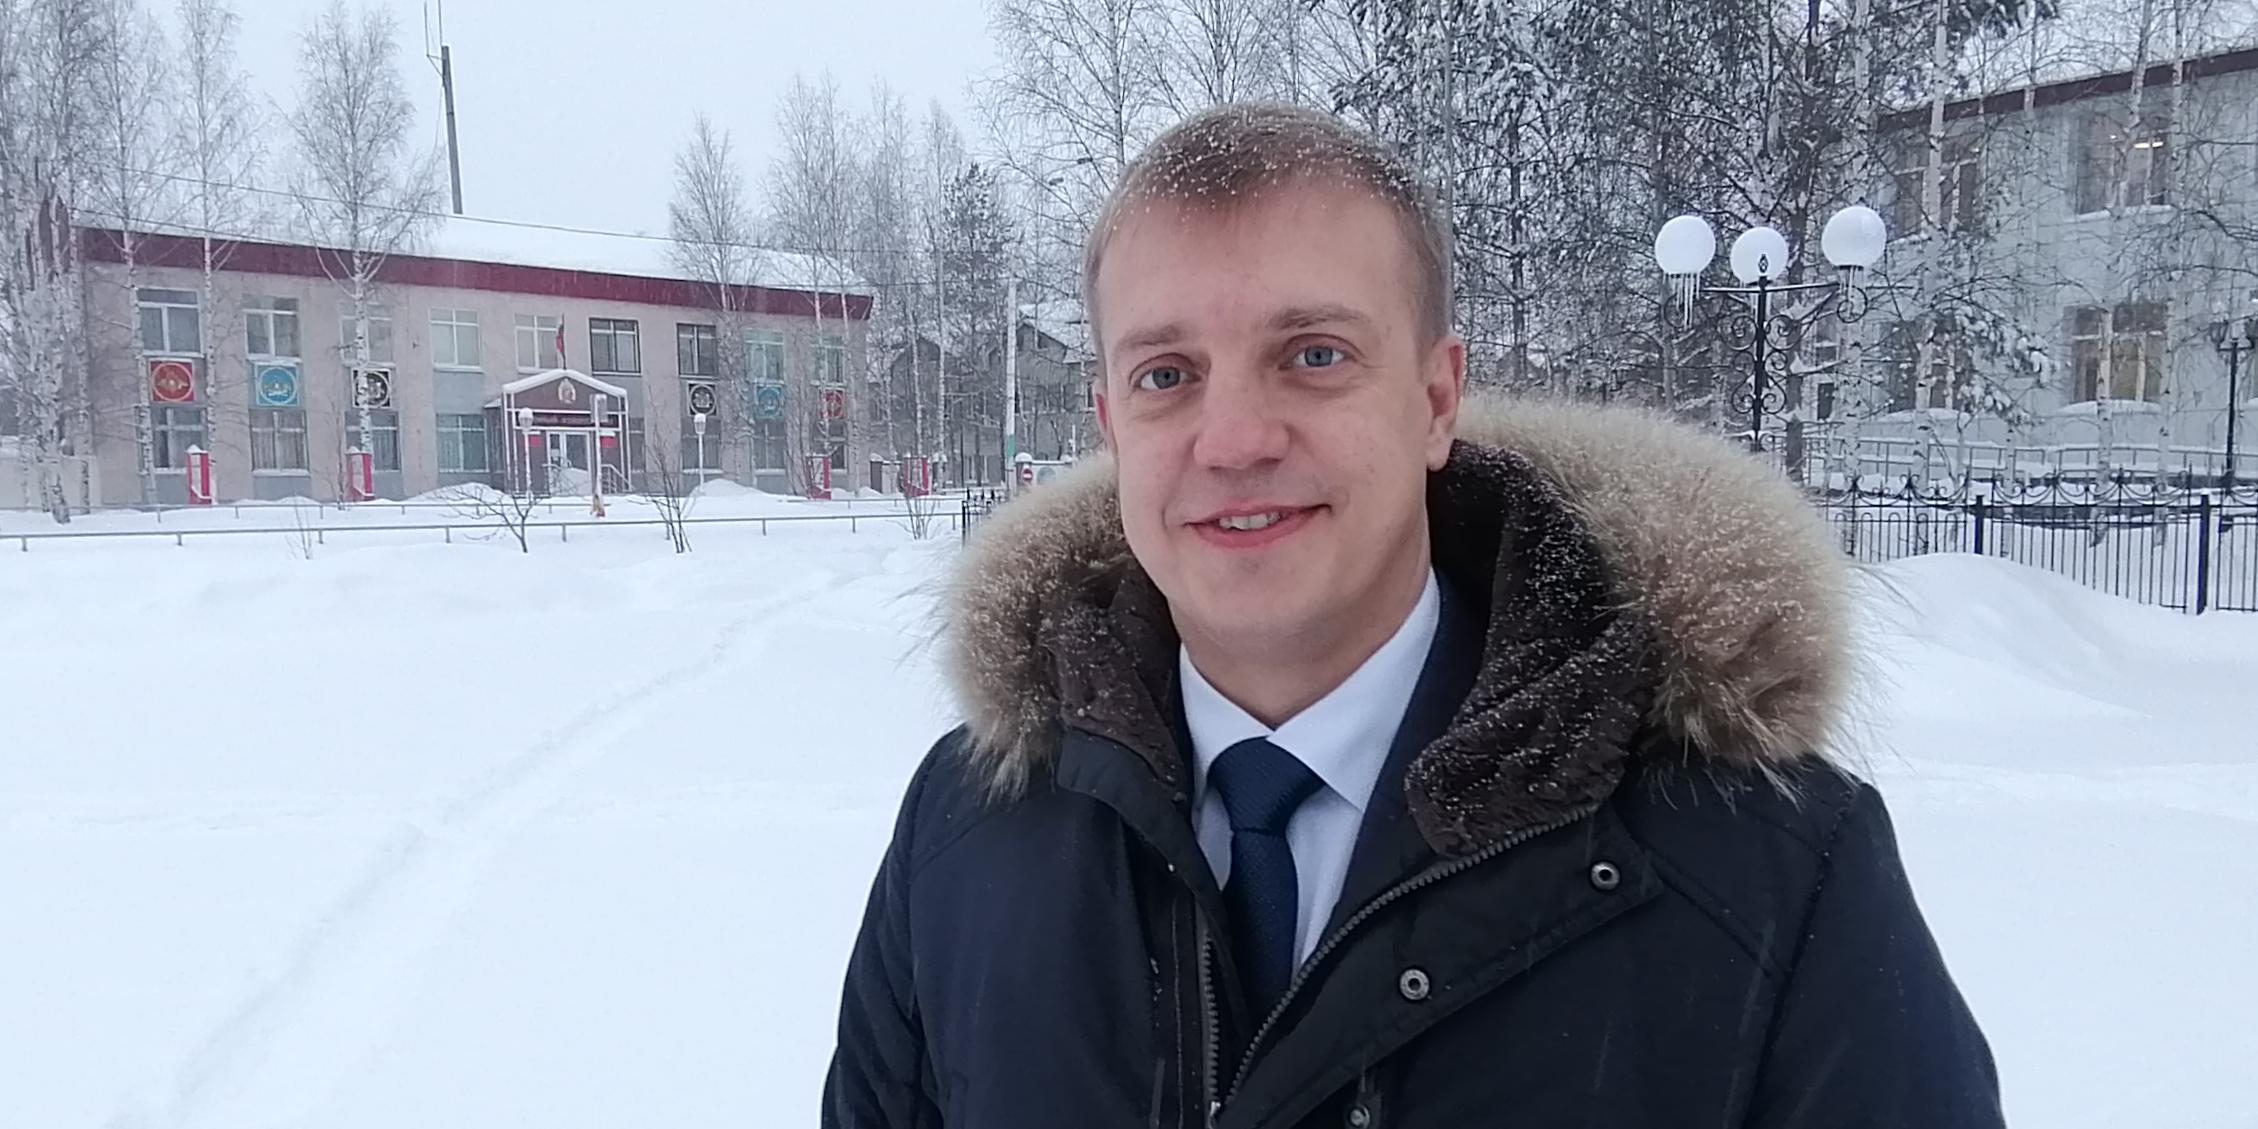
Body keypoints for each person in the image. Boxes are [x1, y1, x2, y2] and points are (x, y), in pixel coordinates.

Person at [824, 103, 2002, 1129]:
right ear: (1109, 425)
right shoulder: (967, 835)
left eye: (1312, 354)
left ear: (1436, 399)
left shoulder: (1766, 869)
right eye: (1165, 375)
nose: (1231, 440)